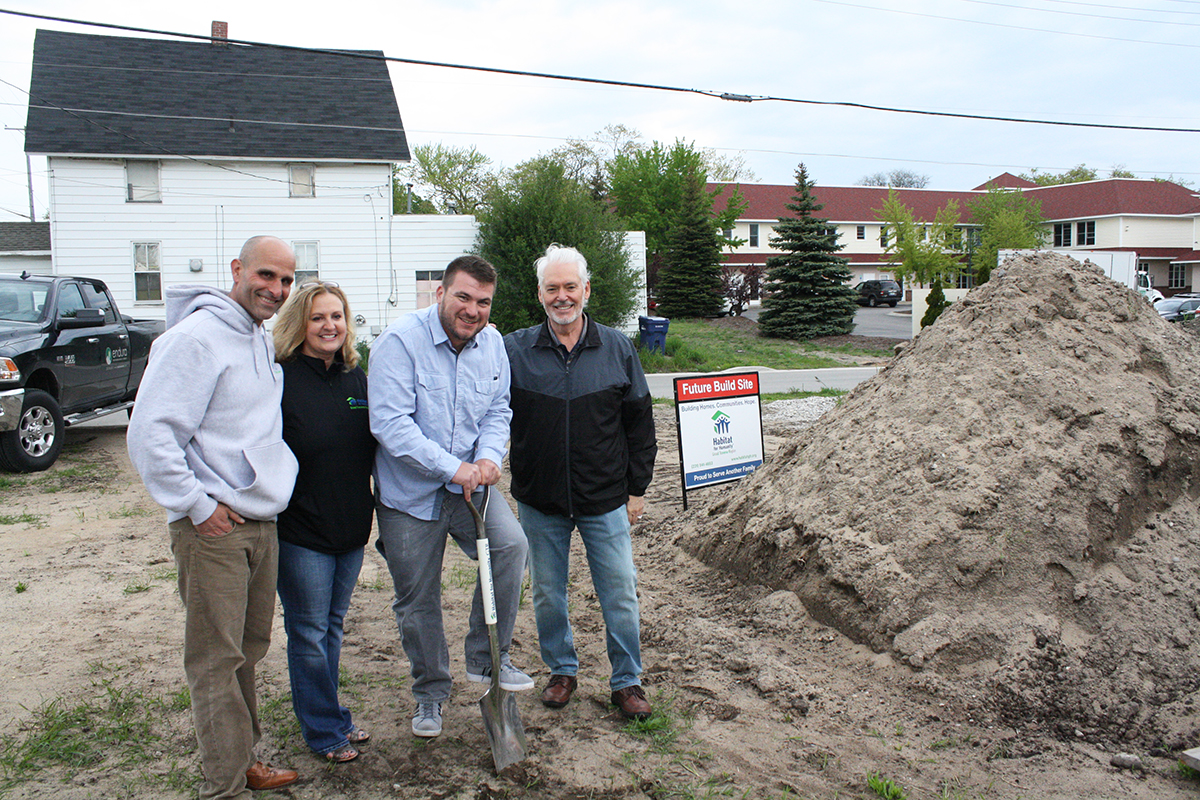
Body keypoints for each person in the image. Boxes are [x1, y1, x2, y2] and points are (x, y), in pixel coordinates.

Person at [127, 235, 301, 798]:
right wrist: (198, 507)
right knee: (214, 661)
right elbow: (151, 434)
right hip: (215, 531)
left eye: (285, 280)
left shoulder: (255, 337)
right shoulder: (194, 339)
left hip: (259, 521)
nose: (275, 289)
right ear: (237, 269)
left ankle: (242, 759)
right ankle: (221, 785)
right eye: (266, 275)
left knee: (247, 652)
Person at [369, 254, 531, 739]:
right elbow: (391, 425)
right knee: (418, 599)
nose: (473, 309)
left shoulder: (493, 344)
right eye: (463, 296)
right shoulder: (399, 342)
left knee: (510, 547)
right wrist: (454, 467)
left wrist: (487, 460)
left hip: (470, 488)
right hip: (410, 497)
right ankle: (431, 694)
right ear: (440, 293)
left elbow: (498, 409)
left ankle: (486, 660)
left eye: (483, 301)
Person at [504, 244, 658, 720]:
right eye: (553, 288)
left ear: (586, 290)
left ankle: (626, 681)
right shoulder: (514, 350)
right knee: (549, 592)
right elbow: (486, 410)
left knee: (619, 591)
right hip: (540, 499)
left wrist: (637, 490)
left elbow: (640, 423)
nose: (562, 296)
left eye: (570, 286)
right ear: (540, 294)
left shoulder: (616, 348)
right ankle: (561, 670)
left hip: (605, 497)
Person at [272, 282, 375, 763]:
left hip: (351, 527)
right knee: (308, 630)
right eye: (318, 318)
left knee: (332, 626)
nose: (330, 325)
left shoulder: (358, 378)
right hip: (301, 532)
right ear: (299, 324)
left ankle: (329, 711)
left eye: (337, 316)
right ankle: (322, 730)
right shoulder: (280, 379)